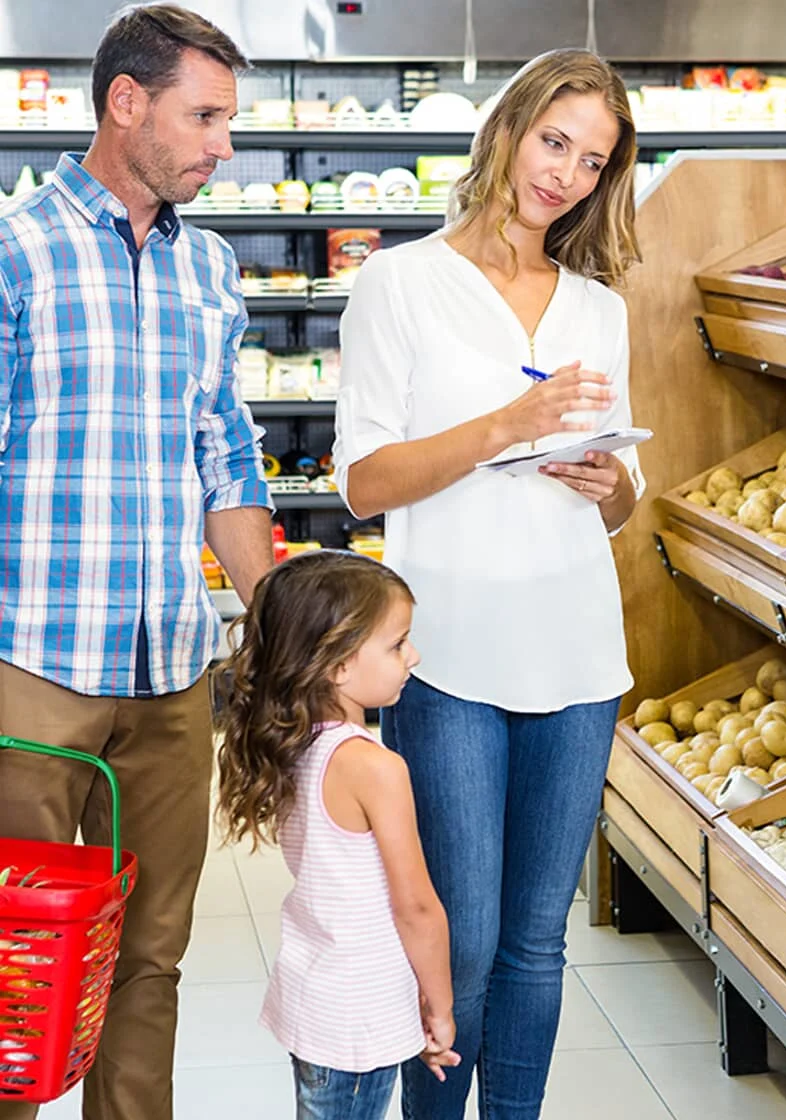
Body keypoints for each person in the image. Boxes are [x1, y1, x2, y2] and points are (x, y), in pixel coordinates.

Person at [332, 47, 642, 1119]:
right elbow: (366, 482)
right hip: (450, 653)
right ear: (506, 130)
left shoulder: (597, 306)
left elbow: (623, 497)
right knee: (458, 942)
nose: (563, 174)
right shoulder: (400, 283)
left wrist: (609, 482)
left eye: (591, 160)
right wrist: (504, 426)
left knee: (535, 945)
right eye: (553, 141)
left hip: (579, 654)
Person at [0, 6, 274, 1119]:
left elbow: (228, 453)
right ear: (127, 103)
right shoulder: (16, 252)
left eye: (228, 121)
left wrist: (279, 618)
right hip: (32, 667)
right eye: (204, 117)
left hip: (172, 678)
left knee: (151, 956)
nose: (222, 145)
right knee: (14, 965)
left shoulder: (209, 267)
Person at [215, 550, 459, 1119]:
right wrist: (441, 1002)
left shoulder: (298, 742)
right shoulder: (374, 767)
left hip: (315, 996)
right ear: (338, 665)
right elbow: (417, 907)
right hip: (359, 1015)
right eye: (397, 644)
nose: (413, 656)